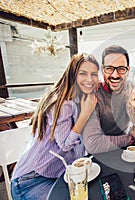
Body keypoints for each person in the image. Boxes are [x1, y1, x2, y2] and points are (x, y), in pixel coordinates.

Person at [11, 53, 99, 200]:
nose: (90, 79)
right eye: (83, 73)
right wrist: (85, 115)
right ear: (72, 75)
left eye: (94, 74)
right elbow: (65, 145)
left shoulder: (80, 99)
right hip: (31, 181)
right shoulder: (63, 104)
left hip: (57, 176)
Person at [82, 45, 135, 154]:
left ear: (128, 70)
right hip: (101, 155)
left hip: (125, 151)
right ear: (102, 70)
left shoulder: (132, 89)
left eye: (121, 69)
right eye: (109, 68)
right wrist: (130, 138)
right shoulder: (93, 97)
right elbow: (93, 144)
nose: (115, 75)